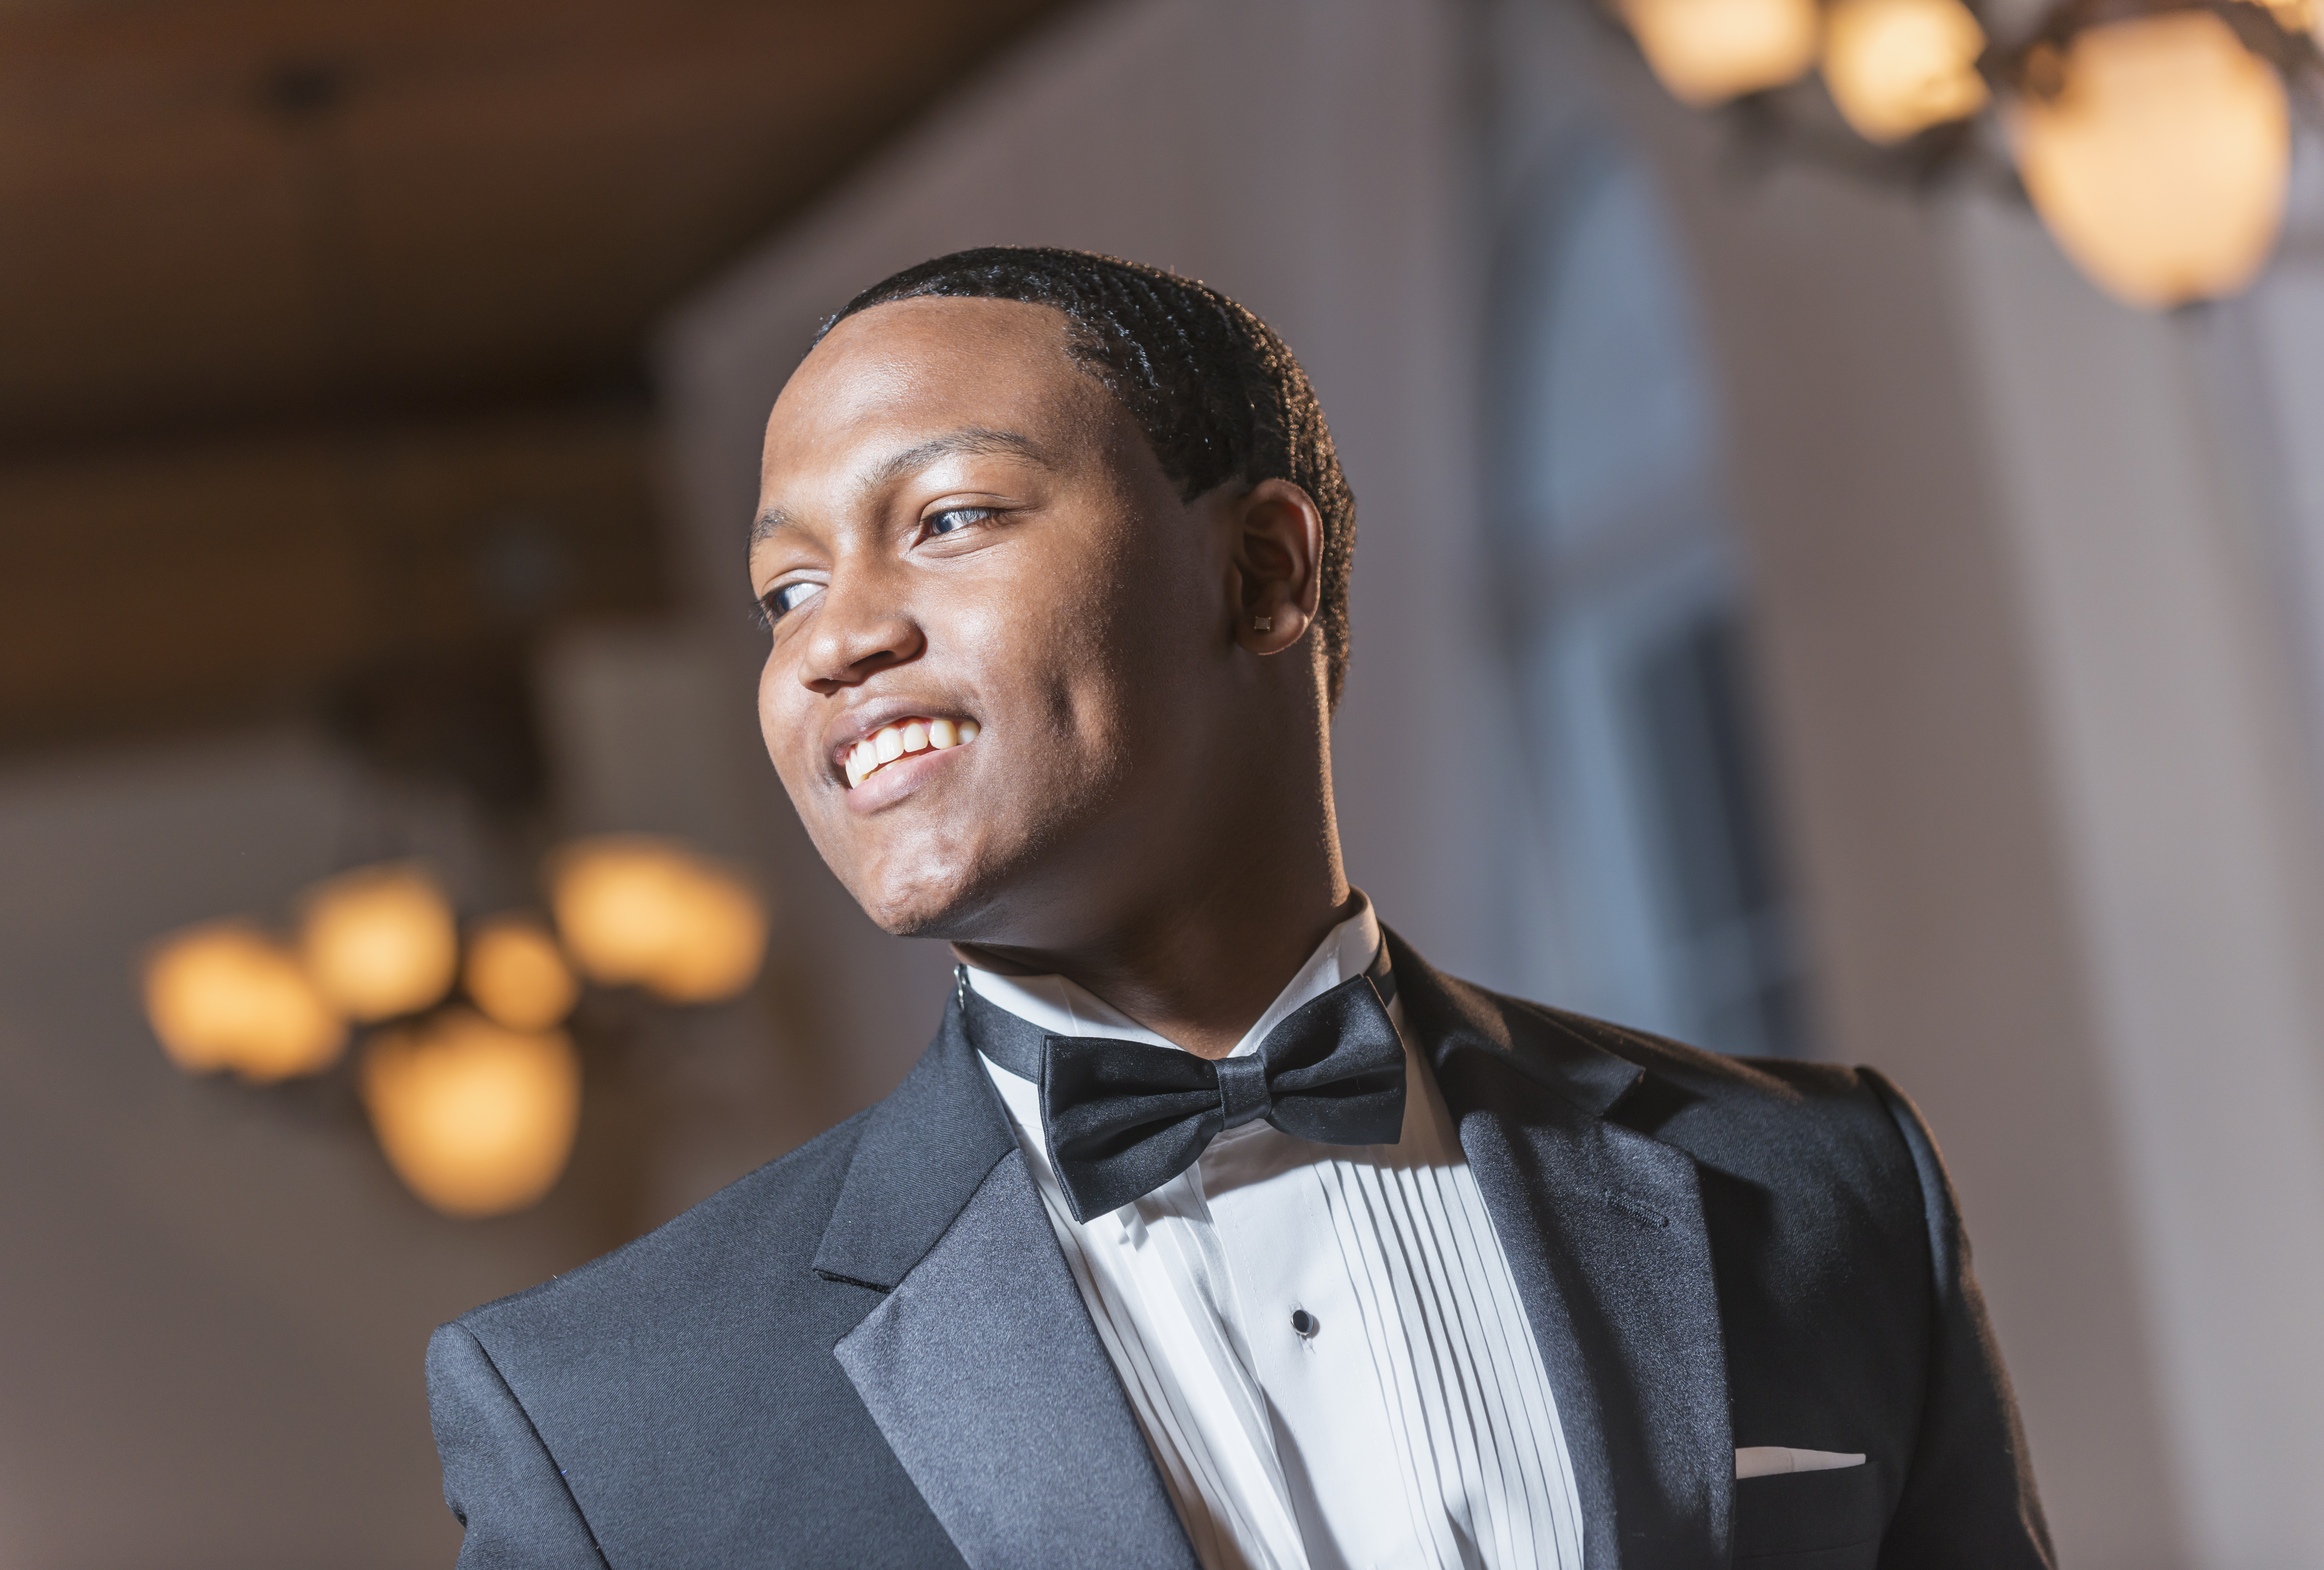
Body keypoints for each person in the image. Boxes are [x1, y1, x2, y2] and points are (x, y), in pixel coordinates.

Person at [426, 247, 2053, 1570]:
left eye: (947, 521)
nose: (829, 640)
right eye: (786, 589)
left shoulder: (1819, 1190)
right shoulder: (609, 1419)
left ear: (1262, 575)